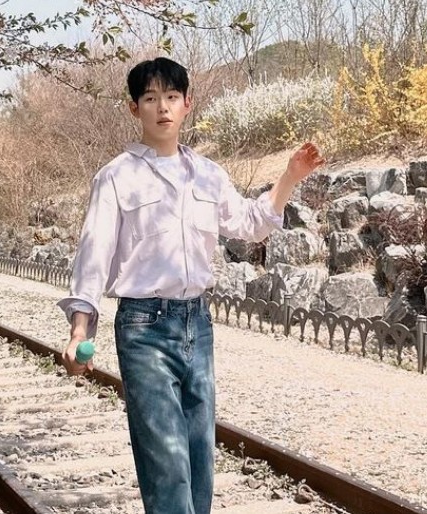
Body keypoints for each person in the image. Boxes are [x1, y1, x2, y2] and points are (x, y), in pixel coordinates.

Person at [58, 57, 324, 514]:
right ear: (134, 108)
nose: (162, 107)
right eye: (150, 98)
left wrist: (290, 177)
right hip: (143, 327)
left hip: (197, 325)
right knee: (166, 464)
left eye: (171, 97)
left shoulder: (208, 173)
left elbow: (251, 222)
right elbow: (93, 255)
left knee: (200, 461)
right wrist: (80, 330)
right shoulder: (116, 176)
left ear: (187, 104)